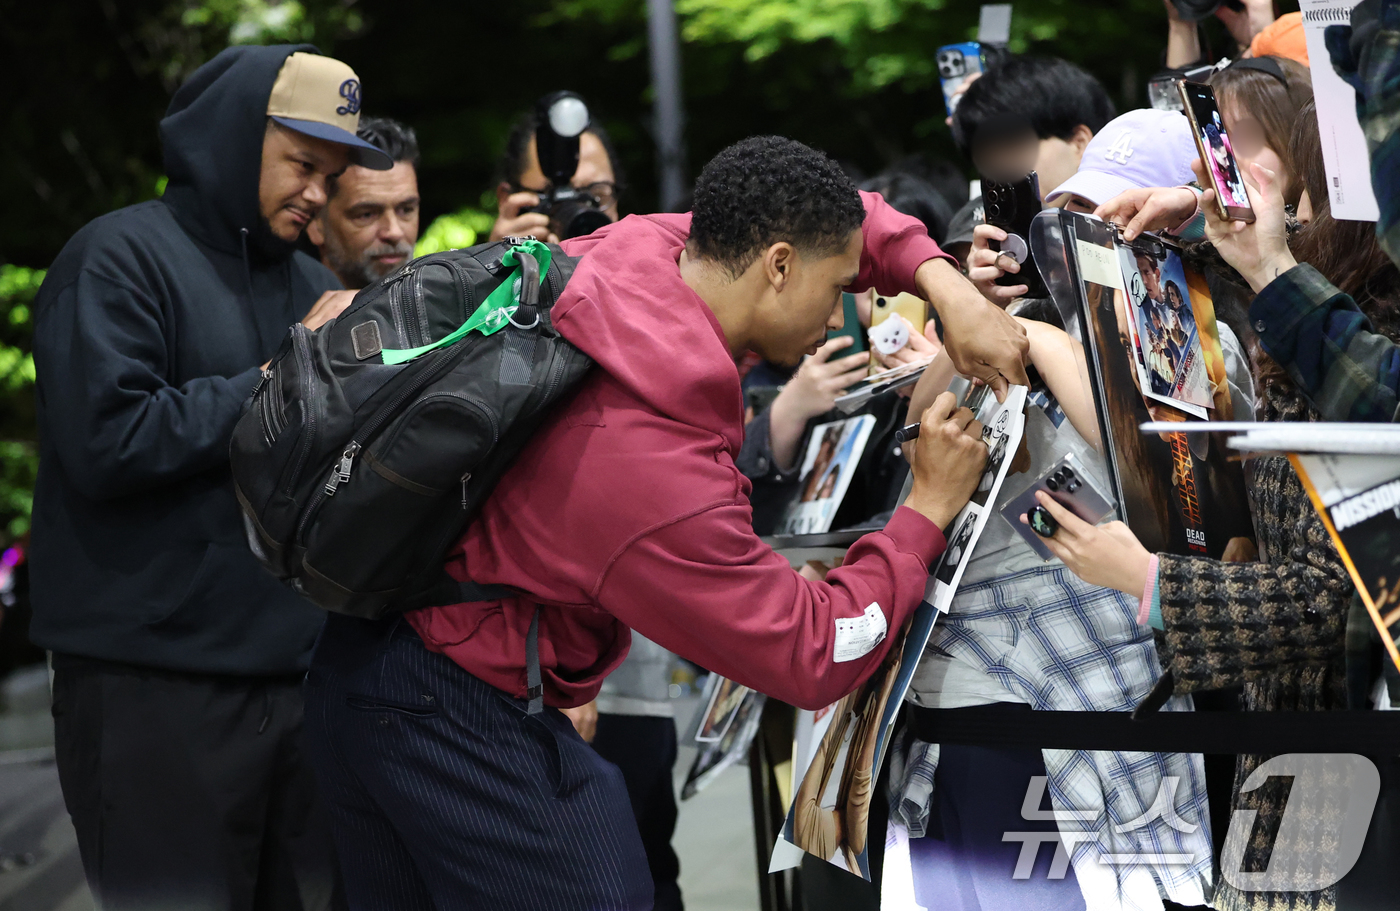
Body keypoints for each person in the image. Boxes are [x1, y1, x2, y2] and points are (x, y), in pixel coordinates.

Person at [302, 135, 1028, 910]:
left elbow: (862, 221)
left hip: (376, 664)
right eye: (840, 286)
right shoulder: (646, 465)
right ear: (778, 266)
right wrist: (926, 508)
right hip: (446, 702)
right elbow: (811, 649)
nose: (846, 306)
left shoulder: (651, 249)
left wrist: (949, 290)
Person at [28, 46, 393, 910]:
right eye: (302, 163)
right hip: (152, 693)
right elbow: (108, 440)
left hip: (301, 689)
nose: (317, 192)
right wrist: (283, 374)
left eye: (330, 172)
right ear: (233, 137)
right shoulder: (117, 258)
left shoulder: (310, 279)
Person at [1033, 116, 1400, 910]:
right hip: (1289, 755)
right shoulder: (1291, 326)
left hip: (1344, 759)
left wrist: (1153, 580)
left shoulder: (1357, 352)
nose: (1237, 188)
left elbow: (1340, 595)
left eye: (1246, 158)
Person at [307, 116, 421, 288]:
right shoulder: (281, 311)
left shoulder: (451, 308)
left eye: (406, 210)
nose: (394, 232)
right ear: (315, 223)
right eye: (366, 214)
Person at [489, 104, 624, 243]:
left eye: (597, 196)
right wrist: (499, 258)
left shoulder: (642, 258)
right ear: (506, 201)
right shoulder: (506, 258)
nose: (581, 215)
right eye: (557, 199)